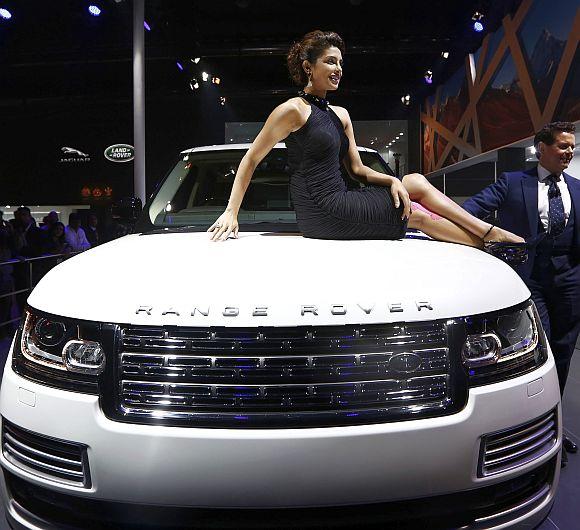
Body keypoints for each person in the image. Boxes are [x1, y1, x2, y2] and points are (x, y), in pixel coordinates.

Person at [208, 30, 523, 249]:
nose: (339, 68)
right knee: (414, 215)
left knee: (410, 183)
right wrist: (231, 211)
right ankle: (490, 242)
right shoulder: (292, 111)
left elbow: (358, 170)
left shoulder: (341, 114)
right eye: (331, 61)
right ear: (308, 67)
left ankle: (487, 235)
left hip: (344, 198)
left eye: (341, 63)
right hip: (320, 210)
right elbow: (251, 158)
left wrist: (390, 181)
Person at [462, 121, 579, 466]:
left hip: (570, 278)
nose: (568, 153)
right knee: (538, 353)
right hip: (530, 280)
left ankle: (556, 423)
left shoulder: (576, 187)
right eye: (562, 146)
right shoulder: (514, 183)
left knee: (564, 348)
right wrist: (490, 242)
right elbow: (470, 211)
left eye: (572, 147)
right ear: (541, 148)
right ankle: (535, 429)